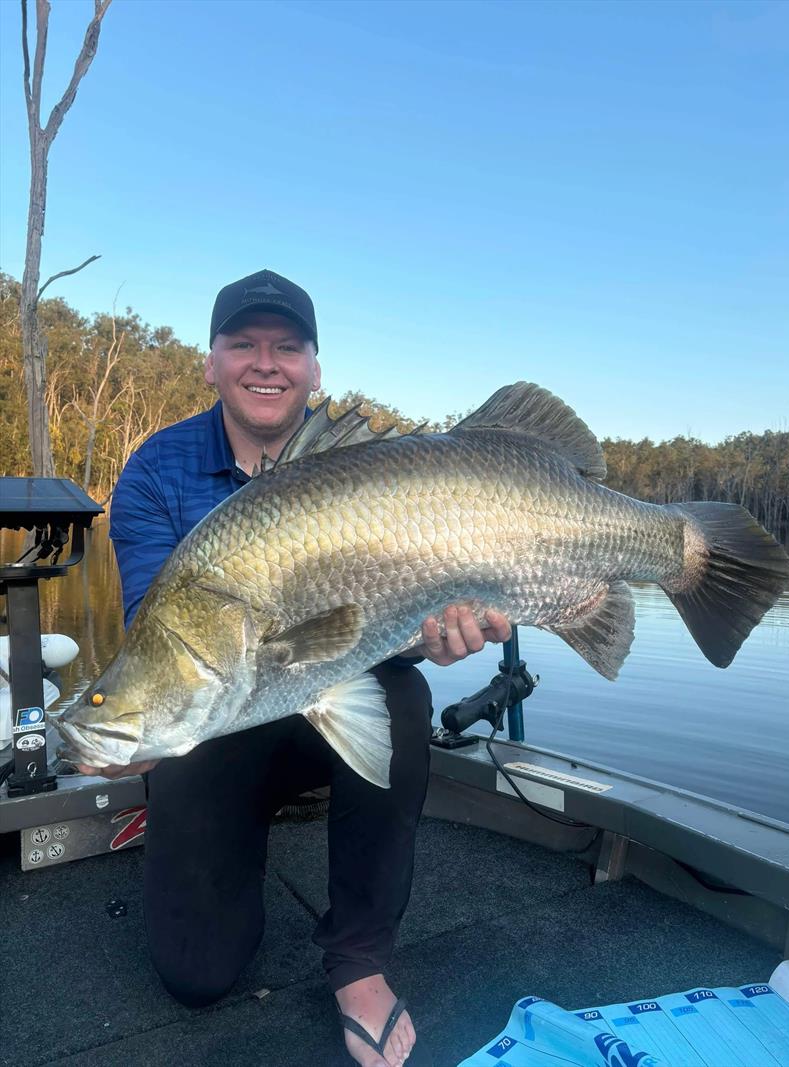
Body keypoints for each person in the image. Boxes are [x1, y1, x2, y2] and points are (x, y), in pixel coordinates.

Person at [76, 269, 511, 1067]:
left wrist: (432, 639)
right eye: (244, 344)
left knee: (406, 694)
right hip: (218, 719)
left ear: (315, 367)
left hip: (326, 691)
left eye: (287, 347)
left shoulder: (374, 467)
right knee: (197, 975)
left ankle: (361, 959)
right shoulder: (153, 472)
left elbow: (382, 625)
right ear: (210, 361)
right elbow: (157, 632)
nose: (265, 363)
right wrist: (125, 720)